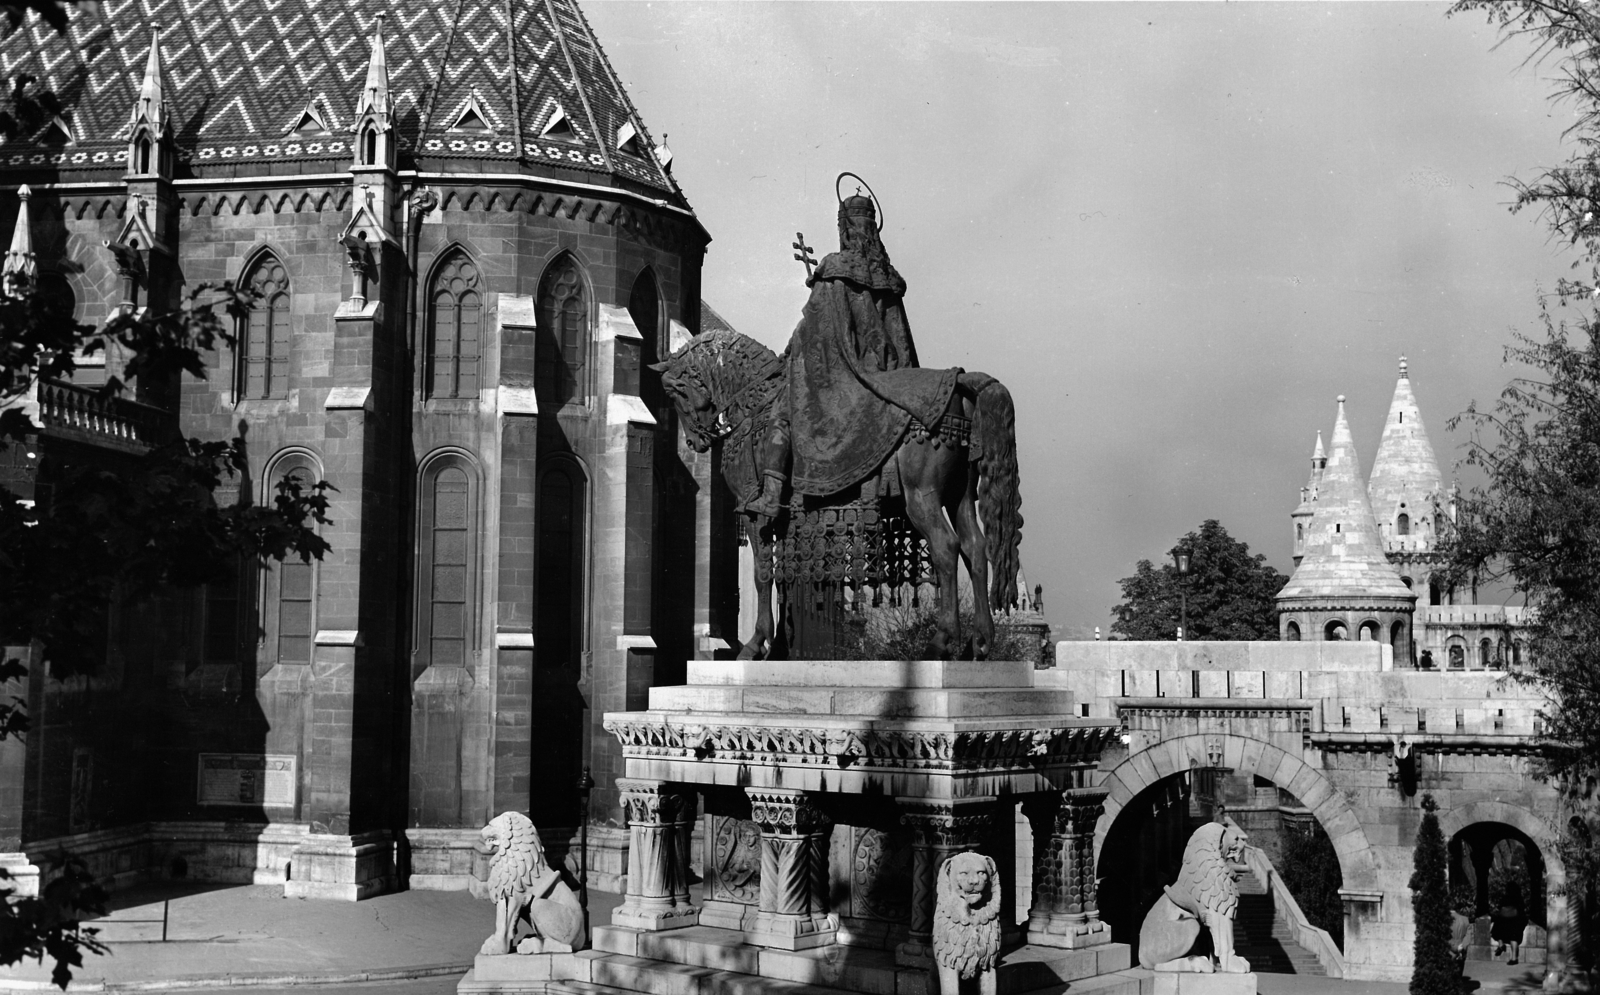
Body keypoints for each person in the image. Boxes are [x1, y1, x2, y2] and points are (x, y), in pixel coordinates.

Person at [745, 183, 956, 517]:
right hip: (890, 375)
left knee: (783, 411)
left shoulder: (834, 270)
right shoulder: (889, 277)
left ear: (844, 228)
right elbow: (899, 338)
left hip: (847, 375)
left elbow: (814, 335)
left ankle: (771, 496)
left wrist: (790, 353)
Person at [1491, 883, 1526, 965]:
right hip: (1515, 920)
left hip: (1504, 920)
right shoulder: (1519, 898)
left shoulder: (1505, 897)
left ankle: (1501, 945)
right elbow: (1522, 909)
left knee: (1496, 930)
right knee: (1514, 938)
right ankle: (1514, 958)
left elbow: (1500, 907)